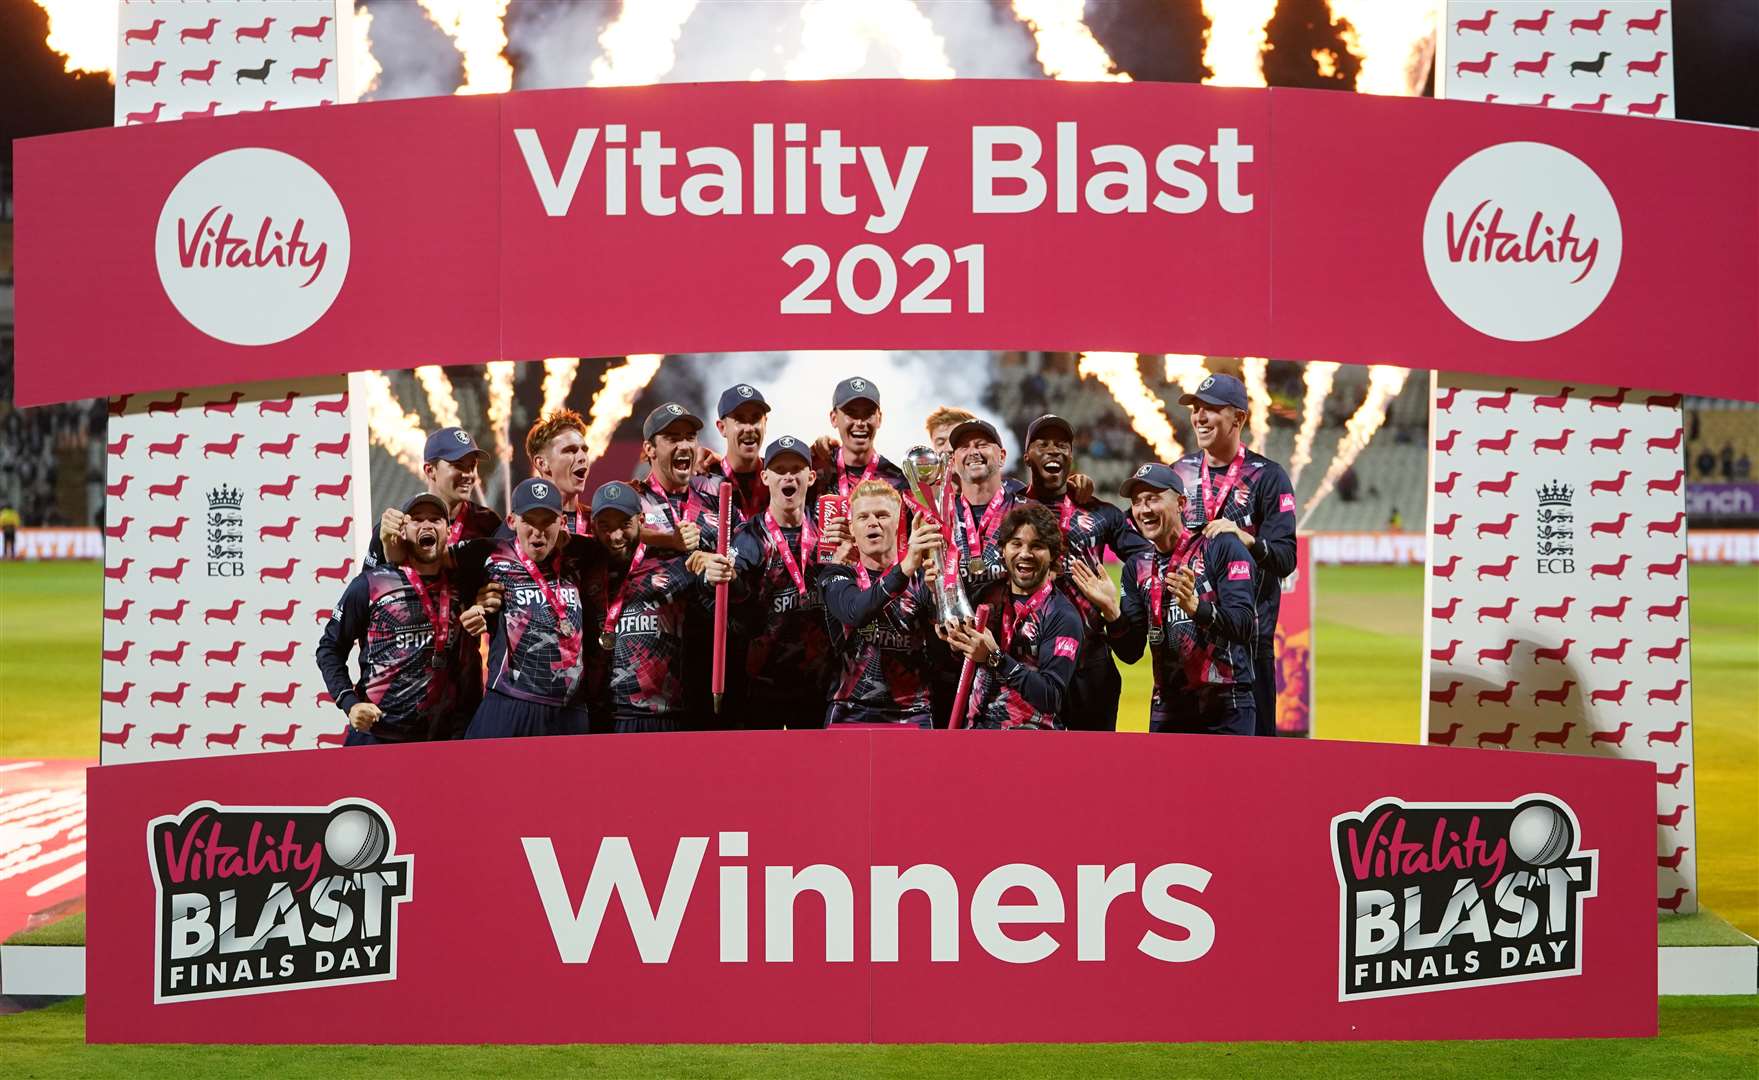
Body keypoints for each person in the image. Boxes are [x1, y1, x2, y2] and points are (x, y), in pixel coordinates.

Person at [414, 478, 603, 739]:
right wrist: (386, 538)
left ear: (561, 523)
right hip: (510, 702)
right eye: (529, 521)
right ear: (512, 522)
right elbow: (425, 556)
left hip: (570, 710)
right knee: (481, 778)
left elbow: (625, 542)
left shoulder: (580, 555)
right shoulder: (488, 552)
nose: (538, 532)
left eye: (547, 521)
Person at [1081, 463, 1258, 735]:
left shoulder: (1220, 546)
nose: (1144, 509)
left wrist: (1198, 608)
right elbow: (1131, 652)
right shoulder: (1136, 567)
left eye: (1153, 498)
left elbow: (1245, 626)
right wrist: (1112, 611)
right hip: (1168, 711)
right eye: (1137, 502)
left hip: (1225, 706)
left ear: (1181, 503)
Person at [1170, 373, 1297, 737]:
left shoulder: (1268, 477)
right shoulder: (1180, 472)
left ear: (1238, 419)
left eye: (1211, 409)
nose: (1199, 417)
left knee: (1253, 773)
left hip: (1247, 650)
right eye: (1196, 409)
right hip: (1186, 650)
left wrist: (1245, 538)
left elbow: (1286, 558)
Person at [1020, 414, 1152, 732]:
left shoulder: (1098, 511)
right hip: (1030, 660)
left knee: (1094, 769)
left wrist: (1120, 601)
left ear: (1071, 456)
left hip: (1090, 661)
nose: (1053, 450)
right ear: (1027, 457)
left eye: (1061, 445)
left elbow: (1145, 554)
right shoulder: (1011, 508)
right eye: (1043, 444)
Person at [317, 494, 466, 746]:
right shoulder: (370, 584)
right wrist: (350, 704)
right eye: (417, 519)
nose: (427, 525)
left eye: (435, 519)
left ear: (449, 531)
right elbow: (329, 649)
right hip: (377, 735)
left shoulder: (462, 585)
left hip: (440, 740)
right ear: (402, 531)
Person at [586, 479, 734, 732]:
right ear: (593, 528)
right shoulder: (581, 568)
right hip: (603, 718)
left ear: (641, 522)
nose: (616, 536)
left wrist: (715, 567)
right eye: (605, 526)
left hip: (665, 715)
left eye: (625, 524)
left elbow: (717, 587)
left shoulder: (671, 565)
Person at [819, 480, 946, 727]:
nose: (872, 522)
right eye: (863, 517)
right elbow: (855, 611)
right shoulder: (838, 574)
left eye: (882, 515)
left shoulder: (924, 576)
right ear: (852, 529)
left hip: (913, 712)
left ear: (900, 524)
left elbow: (943, 655)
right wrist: (906, 566)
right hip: (849, 711)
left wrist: (937, 599)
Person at [945, 504, 1084, 729]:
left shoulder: (1062, 616)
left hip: (1031, 745)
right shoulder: (986, 596)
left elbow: (1050, 697)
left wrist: (997, 658)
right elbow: (960, 667)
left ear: (1053, 555)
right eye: (1016, 544)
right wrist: (955, 645)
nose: (1025, 553)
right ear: (1003, 549)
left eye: (1037, 546)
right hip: (975, 735)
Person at [729, 437, 833, 729]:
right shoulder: (749, 537)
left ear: (811, 477)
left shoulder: (828, 532)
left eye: (797, 468)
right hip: (762, 687)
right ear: (765, 477)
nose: (788, 476)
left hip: (818, 686)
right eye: (779, 469)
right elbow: (737, 611)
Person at [368, 427, 502, 564]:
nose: (468, 474)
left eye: (472, 466)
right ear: (430, 470)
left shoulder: (489, 523)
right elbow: (369, 583)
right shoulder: (396, 527)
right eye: (458, 465)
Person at [525, 409, 594, 536]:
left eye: (584, 450)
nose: (582, 457)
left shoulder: (598, 523)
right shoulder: (523, 523)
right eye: (570, 450)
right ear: (542, 463)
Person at [715, 383, 771, 517]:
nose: (749, 428)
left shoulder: (778, 478)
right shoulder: (705, 482)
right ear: (722, 428)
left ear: (765, 423)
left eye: (756, 419)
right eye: (739, 420)